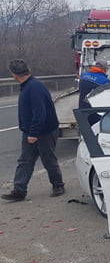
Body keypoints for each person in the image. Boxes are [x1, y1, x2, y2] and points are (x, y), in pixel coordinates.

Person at [2, 59, 65, 202]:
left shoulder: (34, 87)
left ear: (14, 75)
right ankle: (19, 190)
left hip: (44, 131)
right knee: (25, 160)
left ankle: (58, 185)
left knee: (48, 159)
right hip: (30, 130)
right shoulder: (27, 85)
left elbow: (40, 113)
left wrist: (33, 133)